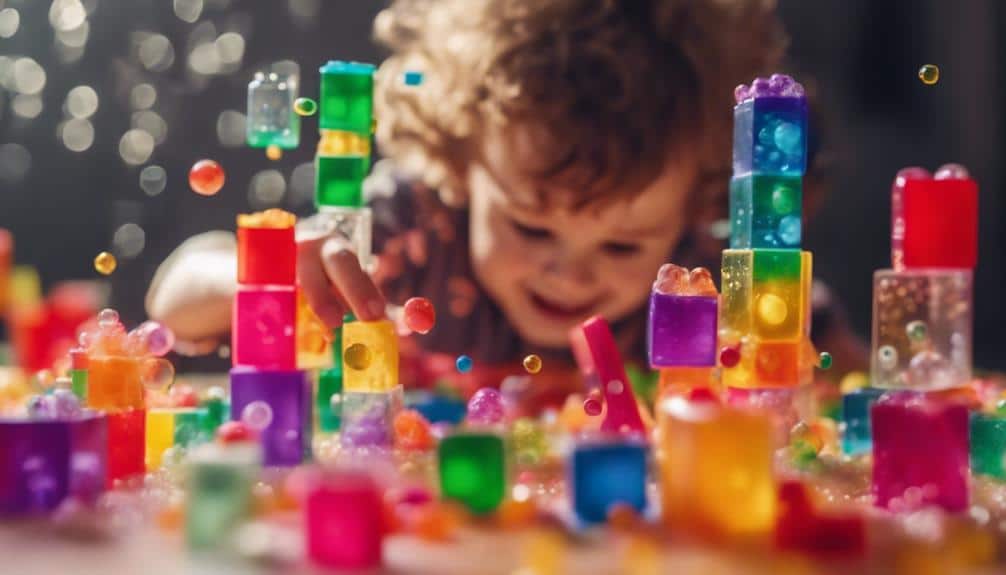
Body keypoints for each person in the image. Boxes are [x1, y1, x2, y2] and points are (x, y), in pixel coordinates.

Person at [147, 0, 863, 399]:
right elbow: (173, 298)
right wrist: (265, 269)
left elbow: (844, 364)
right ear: (462, 164)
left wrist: (812, 374)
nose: (570, 273)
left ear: (691, 209)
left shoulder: (698, 282)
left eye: (622, 245)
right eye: (528, 225)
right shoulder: (409, 234)